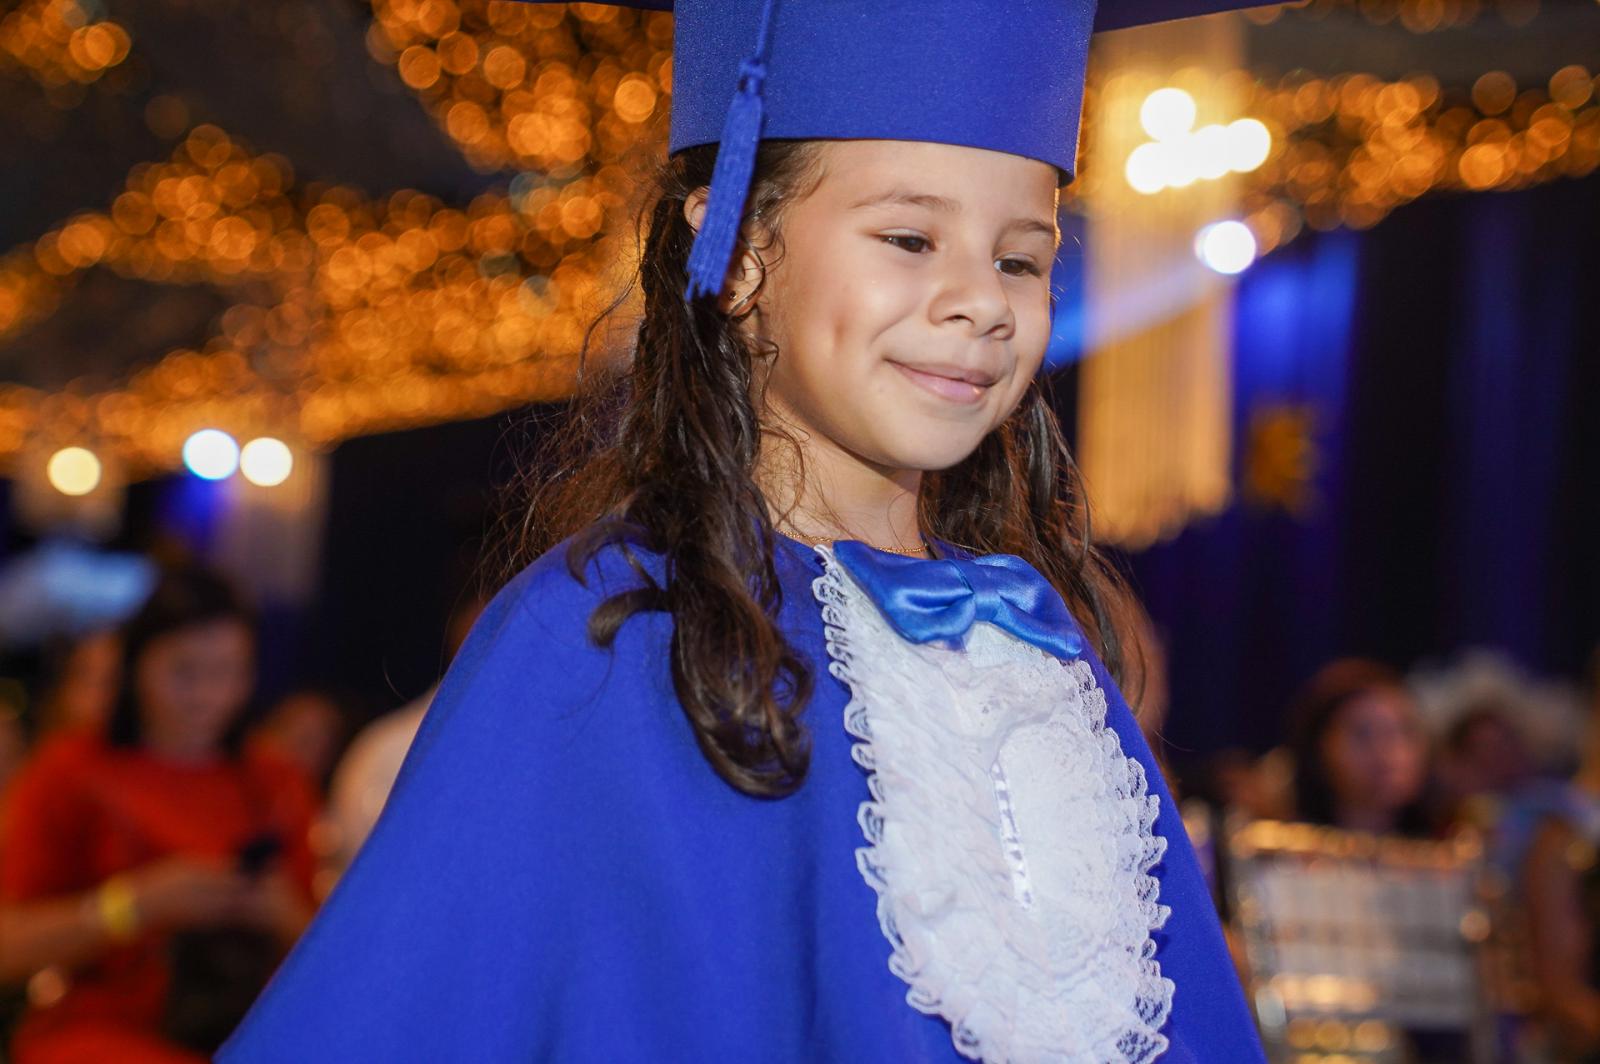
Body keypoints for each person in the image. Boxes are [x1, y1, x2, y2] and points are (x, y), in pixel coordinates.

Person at [223, 1, 1268, 1060]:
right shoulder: (612, 635)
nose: (981, 303)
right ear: (738, 254)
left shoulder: (1032, 644)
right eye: (910, 239)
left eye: (1020, 260)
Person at [0, 568, 319, 1064]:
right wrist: (133, 905)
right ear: (136, 666)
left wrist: (276, 909)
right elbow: (9, 945)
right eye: (185, 672)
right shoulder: (72, 770)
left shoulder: (276, 782)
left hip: (248, 1027)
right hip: (102, 1032)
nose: (207, 695)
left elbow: (338, 957)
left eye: (228, 672)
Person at [1286, 658, 1433, 837]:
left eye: (1402, 731)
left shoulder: (1453, 844)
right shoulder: (1282, 846)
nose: (1385, 751)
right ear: (1319, 749)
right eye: (1363, 734)